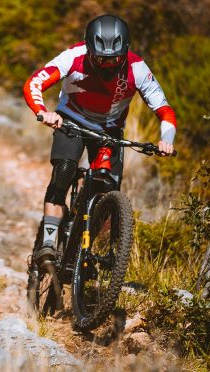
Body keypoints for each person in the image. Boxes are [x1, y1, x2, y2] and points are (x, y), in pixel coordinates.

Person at [22, 14, 176, 262]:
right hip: (71, 121)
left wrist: (166, 140)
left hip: (109, 131)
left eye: (114, 59)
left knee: (107, 189)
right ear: (89, 50)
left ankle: (81, 252)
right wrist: (43, 111)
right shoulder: (74, 56)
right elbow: (34, 83)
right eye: (100, 58)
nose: (107, 65)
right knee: (64, 170)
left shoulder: (137, 68)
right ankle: (48, 242)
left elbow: (164, 111)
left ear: (125, 52)